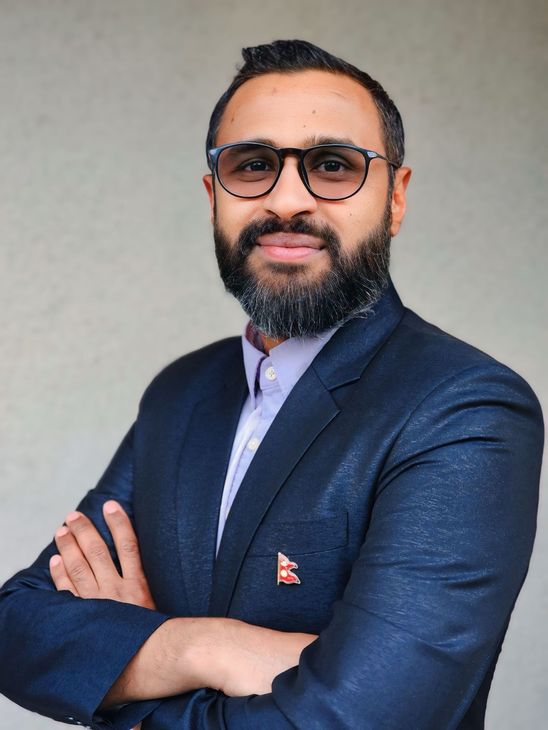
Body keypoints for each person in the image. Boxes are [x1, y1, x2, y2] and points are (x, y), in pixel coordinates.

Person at [0, 39, 544, 730]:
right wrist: (205, 644)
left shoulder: (465, 407)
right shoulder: (181, 393)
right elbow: (17, 626)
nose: (289, 199)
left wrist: (126, 684)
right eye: (253, 165)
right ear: (213, 195)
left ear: (396, 198)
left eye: (334, 165)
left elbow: (364, 717)